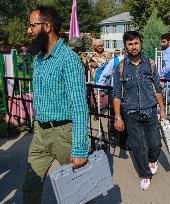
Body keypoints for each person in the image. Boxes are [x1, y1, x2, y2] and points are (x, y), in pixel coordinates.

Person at [23, 6, 89, 203]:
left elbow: (79, 106)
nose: (29, 30)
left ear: (47, 26)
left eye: (32, 25)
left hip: (63, 135)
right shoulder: (39, 59)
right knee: (30, 188)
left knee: (82, 190)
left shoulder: (68, 59)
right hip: (40, 134)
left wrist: (79, 149)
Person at [112, 31, 166, 190]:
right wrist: (117, 117)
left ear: (140, 44)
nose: (133, 47)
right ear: (125, 47)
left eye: (136, 43)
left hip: (150, 111)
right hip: (130, 113)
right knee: (138, 146)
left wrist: (162, 110)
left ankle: (152, 159)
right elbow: (116, 93)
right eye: (130, 44)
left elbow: (157, 89)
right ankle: (145, 174)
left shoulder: (150, 64)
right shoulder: (120, 67)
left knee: (155, 144)